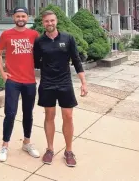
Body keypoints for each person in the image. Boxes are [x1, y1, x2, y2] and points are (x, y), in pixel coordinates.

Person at [33, 10, 88, 167]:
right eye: (46, 21)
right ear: (43, 23)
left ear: (56, 21)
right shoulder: (39, 42)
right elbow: (35, 62)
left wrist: (83, 82)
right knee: (49, 115)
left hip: (65, 83)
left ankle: (68, 151)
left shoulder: (68, 38)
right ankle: (49, 149)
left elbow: (76, 61)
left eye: (52, 20)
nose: (49, 23)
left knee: (68, 116)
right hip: (47, 83)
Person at [0, 6, 40, 162]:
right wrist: (2, 73)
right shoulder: (6, 34)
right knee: (11, 113)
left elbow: (43, 53)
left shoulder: (34, 34)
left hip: (29, 81)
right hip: (12, 80)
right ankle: (5, 145)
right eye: (18, 16)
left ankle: (26, 143)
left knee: (28, 114)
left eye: (23, 16)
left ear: (27, 18)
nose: (21, 19)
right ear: (13, 17)